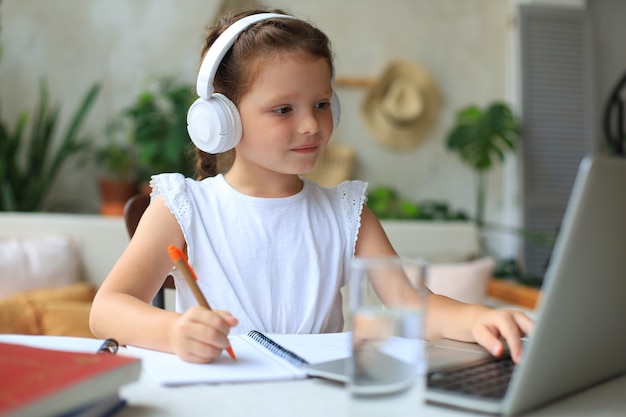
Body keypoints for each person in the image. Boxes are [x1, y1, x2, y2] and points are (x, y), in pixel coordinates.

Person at [90, 9, 533, 365]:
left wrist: (478, 318)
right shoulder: (183, 207)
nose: (310, 125)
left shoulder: (346, 212)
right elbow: (107, 309)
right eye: (283, 109)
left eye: (321, 104)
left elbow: (410, 303)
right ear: (220, 120)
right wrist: (173, 333)